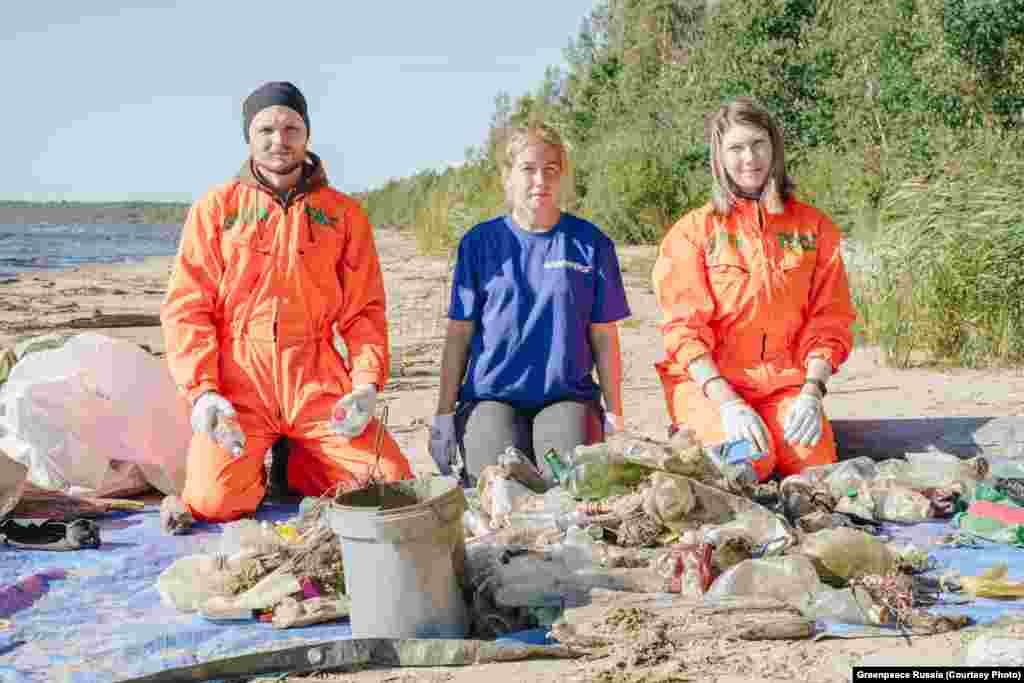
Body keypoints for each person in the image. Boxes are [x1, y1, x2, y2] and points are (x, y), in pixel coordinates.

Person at [160, 81, 412, 528]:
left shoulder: (343, 214)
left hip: (316, 377)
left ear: (307, 134)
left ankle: (297, 462)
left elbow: (364, 311)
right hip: (240, 379)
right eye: (266, 130)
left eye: (292, 128)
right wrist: (203, 392)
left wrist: (366, 384)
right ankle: (253, 462)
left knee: (391, 483)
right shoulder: (216, 208)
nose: (280, 140)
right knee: (215, 503)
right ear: (249, 138)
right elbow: (187, 306)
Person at [652, 97, 856, 481]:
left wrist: (812, 392)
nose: (750, 158)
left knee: (815, 465)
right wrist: (727, 402)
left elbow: (830, 319)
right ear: (719, 157)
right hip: (710, 386)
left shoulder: (815, 228)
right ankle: (693, 440)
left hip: (784, 384)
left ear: (774, 148)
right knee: (747, 462)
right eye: (736, 148)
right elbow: (683, 330)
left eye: (759, 144)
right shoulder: (693, 232)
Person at [429, 123, 631, 486]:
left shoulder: (591, 244)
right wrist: (443, 415)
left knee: (566, 488)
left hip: (566, 397)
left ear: (563, 177)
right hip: (490, 398)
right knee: (502, 487)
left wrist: (615, 413)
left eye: (551, 169)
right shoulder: (478, 243)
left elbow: (604, 336)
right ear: (508, 176)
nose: (541, 180)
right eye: (528, 169)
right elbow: (459, 335)